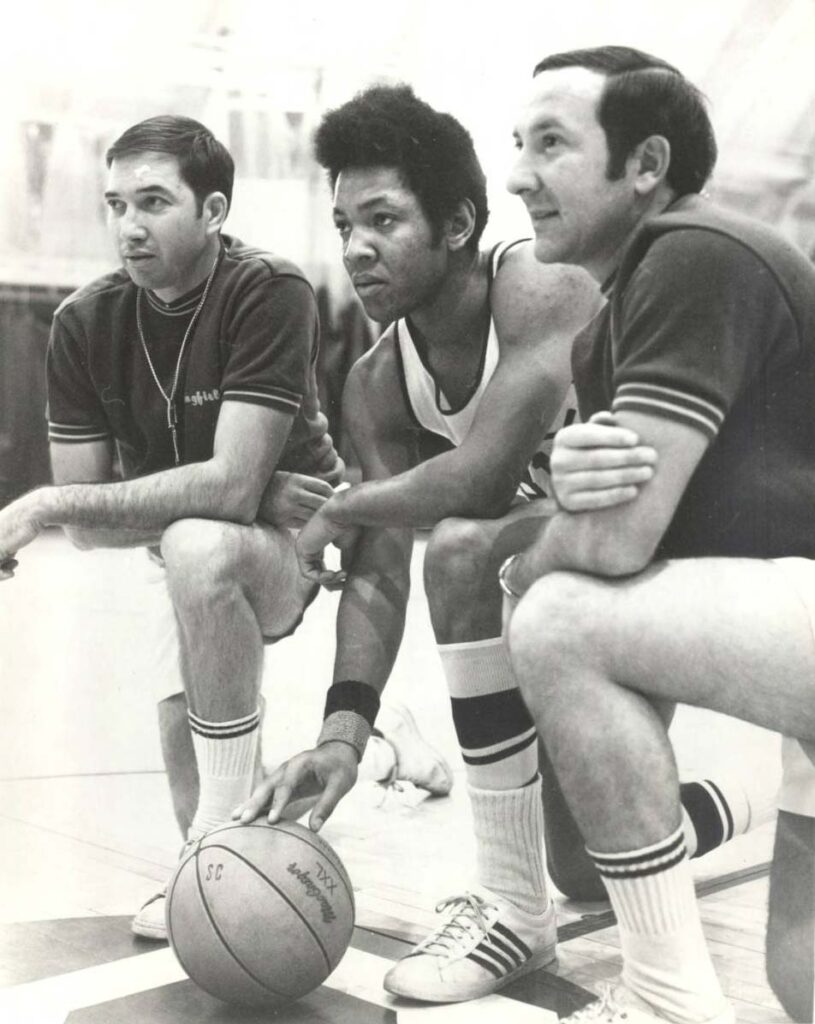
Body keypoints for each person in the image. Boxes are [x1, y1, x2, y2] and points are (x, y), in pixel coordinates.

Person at [235, 84, 776, 1004]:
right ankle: (759, 793)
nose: (357, 248)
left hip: (687, 558)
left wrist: (352, 505)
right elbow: (375, 572)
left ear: (456, 225)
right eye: (342, 225)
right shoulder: (375, 382)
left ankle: (510, 911)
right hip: (571, 583)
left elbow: (479, 483)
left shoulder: (540, 288)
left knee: (460, 544)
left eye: (383, 220)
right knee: (585, 865)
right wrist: (343, 732)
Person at [0, 114, 448, 944]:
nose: (129, 225)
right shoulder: (81, 322)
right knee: (190, 555)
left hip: (302, 543)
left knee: (197, 547)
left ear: (212, 211)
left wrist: (41, 507)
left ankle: (220, 850)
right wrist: (218, 492)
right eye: (115, 203)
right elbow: (107, 527)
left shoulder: (267, 288)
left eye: (154, 202)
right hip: (177, 544)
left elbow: (191, 492)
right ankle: (384, 752)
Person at [499, 45, 815, 1023]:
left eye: (549, 143)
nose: (516, 173)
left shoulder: (691, 251)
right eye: (518, 143)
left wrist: (528, 555)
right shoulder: (614, 313)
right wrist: (567, 497)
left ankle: (664, 1002)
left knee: (555, 615)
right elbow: (614, 512)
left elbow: (612, 543)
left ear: (643, 165)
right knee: (800, 980)